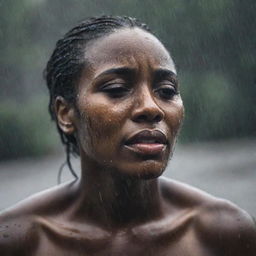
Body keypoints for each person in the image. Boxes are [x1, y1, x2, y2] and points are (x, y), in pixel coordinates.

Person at [0, 15, 255, 256]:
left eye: (166, 91)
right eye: (117, 89)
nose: (151, 107)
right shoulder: (19, 240)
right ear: (66, 114)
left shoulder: (221, 232)